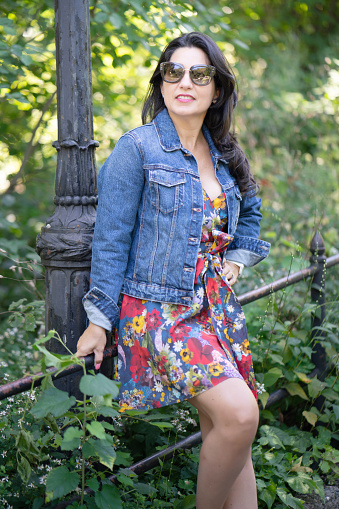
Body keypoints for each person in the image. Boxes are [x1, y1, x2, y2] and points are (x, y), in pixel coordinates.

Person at [76, 32, 270, 509]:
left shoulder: (224, 152)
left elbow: (252, 212)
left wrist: (238, 259)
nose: (185, 82)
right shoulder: (136, 149)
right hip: (159, 312)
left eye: (199, 74)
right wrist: (101, 319)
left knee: (231, 433)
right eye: (173, 71)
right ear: (161, 84)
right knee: (241, 415)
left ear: (217, 90)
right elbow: (110, 239)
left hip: (213, 309)